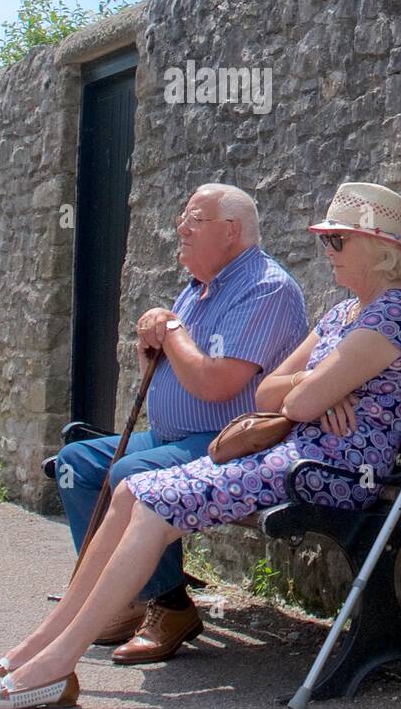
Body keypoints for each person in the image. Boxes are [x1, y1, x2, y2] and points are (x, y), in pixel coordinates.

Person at [0, 181, 401, 709]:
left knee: (152, 498)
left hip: (331, 469)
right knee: (133, 490)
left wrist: (311, 393)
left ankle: (54, 666)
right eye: (325, 241)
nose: (326, 253)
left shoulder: (390, 316)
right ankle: (38, 648)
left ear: (376, 248)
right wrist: (320, 389)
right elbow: (269, 390)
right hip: (294, 457)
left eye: (336, 242)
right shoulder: (341, 315)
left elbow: (292, 403)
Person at [43, 183, 307, 666]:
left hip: (229, 443)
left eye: (194, 219)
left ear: (231, 231)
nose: (179, 229)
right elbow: (173, 370)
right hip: (172, 437)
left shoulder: (266, 288)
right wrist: (152, 351)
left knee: (134, 475)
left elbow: (217, 383)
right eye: (182, 218)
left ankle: (170, 605)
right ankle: (128, 598)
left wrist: (170, 331)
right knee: (75, 462)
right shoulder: (195, 290)